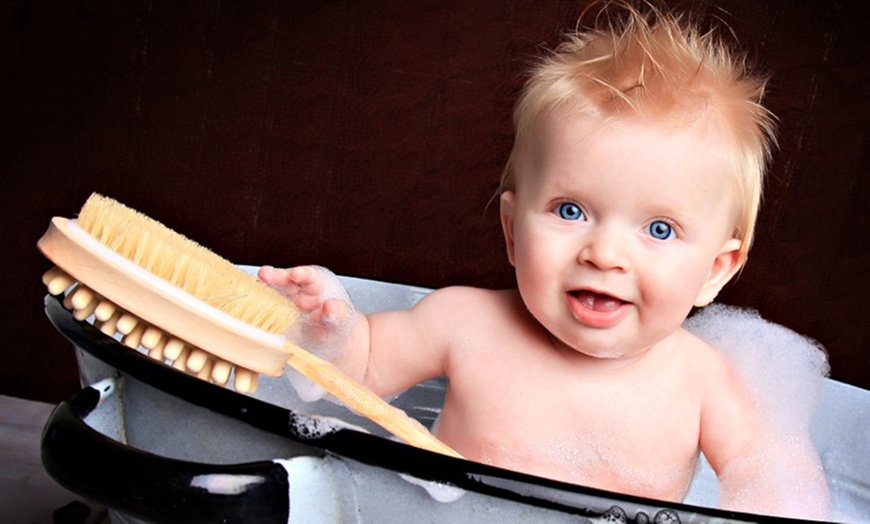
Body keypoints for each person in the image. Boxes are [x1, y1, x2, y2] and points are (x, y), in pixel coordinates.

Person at [260, 3, 830, 519]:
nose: (604, 254)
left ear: (714, 270)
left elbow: (778, 492)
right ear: (512, 229)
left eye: (659, 229)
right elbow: (359, 369)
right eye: (570, 210)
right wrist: (328, 330)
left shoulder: (705, 382)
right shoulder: (464, 323)